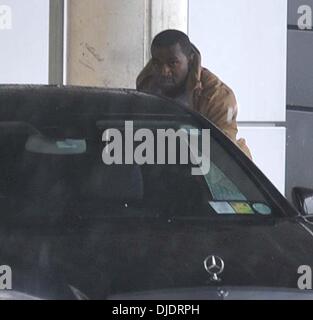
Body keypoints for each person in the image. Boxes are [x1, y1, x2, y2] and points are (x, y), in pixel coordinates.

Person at [136, 29, 252, 159]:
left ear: (190, 60)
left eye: (173, 63)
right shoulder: (147, 84)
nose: (164, 71)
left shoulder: (217, 96)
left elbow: (223, 153)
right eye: (157, 63)